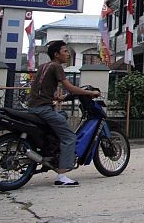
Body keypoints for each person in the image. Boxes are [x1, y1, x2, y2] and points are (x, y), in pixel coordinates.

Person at [27, 40, 100, 186]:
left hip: (34, 107)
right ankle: (62, 176)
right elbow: (71, 88)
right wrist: (90, 92)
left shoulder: (43, 67)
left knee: (63, 116)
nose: (68, 54)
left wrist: (56, 97)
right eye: (65, 51)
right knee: (69, 137)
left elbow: (40, 89)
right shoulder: (56, 66)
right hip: (44, 110)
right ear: (56, 54)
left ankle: (52, 152)